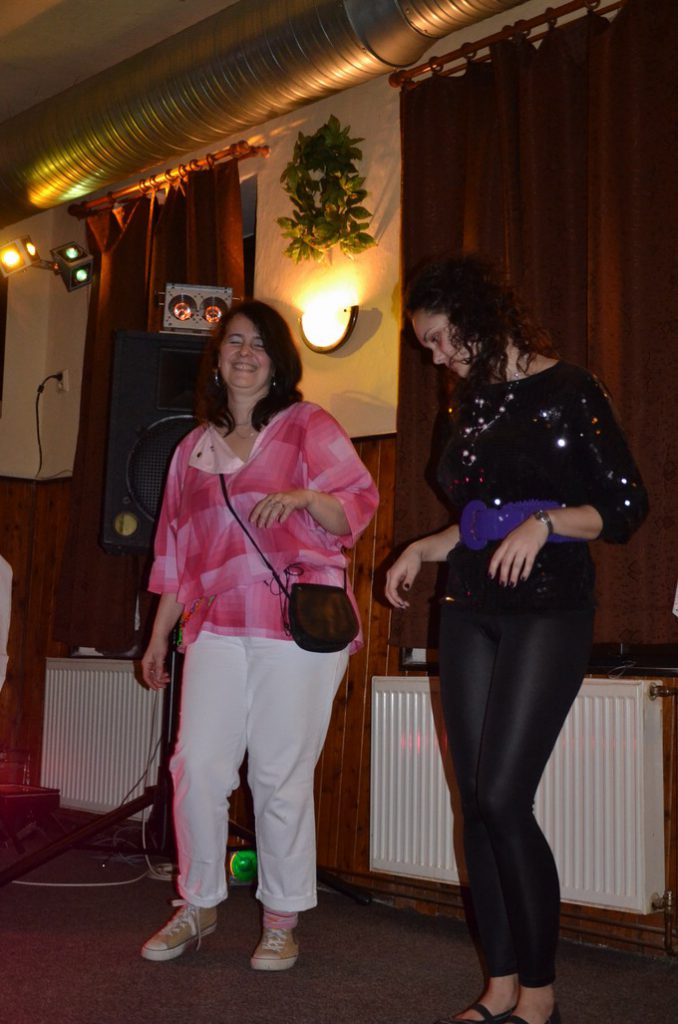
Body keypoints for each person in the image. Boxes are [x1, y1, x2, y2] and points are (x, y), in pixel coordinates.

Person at [384, 256, 648, 1024]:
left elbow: (625, 507)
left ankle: (540, 996)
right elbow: (475, 524)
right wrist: (421, 548)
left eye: (440, 339)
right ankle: (499, 988)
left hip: (549, 608)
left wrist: (545, 523)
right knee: (475, 802)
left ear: (476, 319)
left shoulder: (570, 390)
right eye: (426, 345)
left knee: (504, 796)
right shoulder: (465, 405)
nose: (435, 356)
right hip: (468, 604)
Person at [141, 299, 378, 970]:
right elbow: (175, 554)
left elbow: (356, 506)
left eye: (259, 344)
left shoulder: (307, 426)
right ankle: (198, 902)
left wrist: (305, 498)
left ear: (277, 362)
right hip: (214, 623)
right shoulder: (190, 450)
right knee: (196, 766)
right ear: (216, 360)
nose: (245, 353)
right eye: (234, 342)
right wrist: (158, 638)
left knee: (278, 772)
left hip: (295, 625)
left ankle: (281, 919)